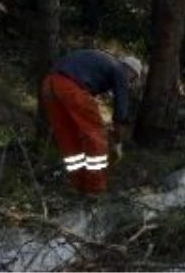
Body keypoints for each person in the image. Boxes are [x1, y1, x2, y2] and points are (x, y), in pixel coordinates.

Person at [41, 48, 144, 194]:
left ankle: (79, 185)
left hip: (50, 84)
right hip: (72, 87)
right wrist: (118, 141)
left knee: (70, 139)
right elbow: (121, 108)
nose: (129, 82)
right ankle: (96, 188)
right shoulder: (120, 70)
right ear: (131, 72)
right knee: (96, 136)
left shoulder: (103, 61)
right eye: (132, 79)